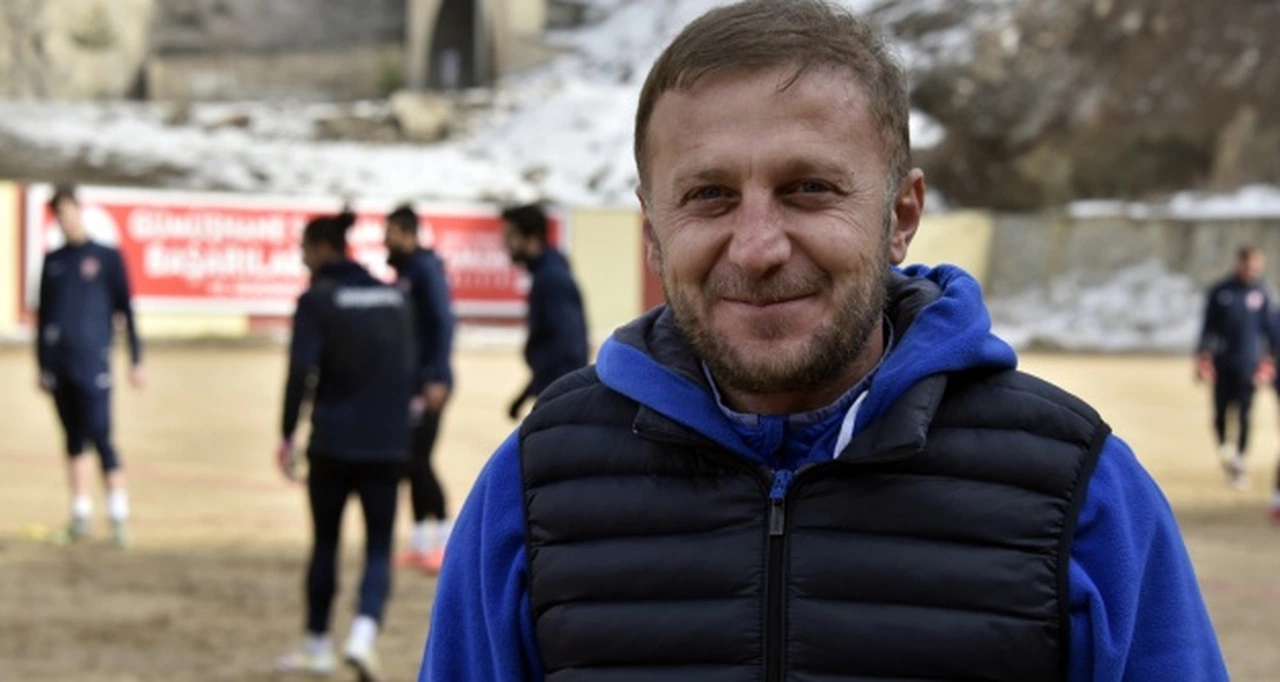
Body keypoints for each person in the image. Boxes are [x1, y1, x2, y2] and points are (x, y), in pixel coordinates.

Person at [420, 2, 1228, 681]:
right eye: (709, 196)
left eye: (809, 189)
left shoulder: (1083, 493)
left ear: (901, 215)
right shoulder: (528, 492)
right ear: (653, 234)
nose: (757, 247)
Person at [276, 211, 415, 682]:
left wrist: (287, 433)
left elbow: (300, 372)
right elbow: (411, 368)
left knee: (326, 542)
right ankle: (363, 634)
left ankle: (317, 645)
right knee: (378, 546)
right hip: (388, 443)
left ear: (321, 248)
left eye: (304, 250)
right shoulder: (395, 297)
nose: (302, 259)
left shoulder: (317, 300)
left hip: (333, 442)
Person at [35, 184, 145, 547]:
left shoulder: (107, 258)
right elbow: (43, 319)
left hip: (93, 363)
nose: (65, 219)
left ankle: (118, 517)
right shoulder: (53, 261)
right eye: (59, 214)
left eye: (69, 211)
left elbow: (127, 311)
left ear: (79, 211)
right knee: (72, 440)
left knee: (101, 436)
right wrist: (42, 364)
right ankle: (80, 516)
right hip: (60, 366)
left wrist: (136, 359)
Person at [384, 204, 457, 572]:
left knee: (420, 460)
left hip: (429, 384)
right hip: (409, 384)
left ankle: (445, 543)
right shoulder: (407, 272)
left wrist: (436, 378)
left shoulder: (426, 270)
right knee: (409, 462)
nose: (385, 240)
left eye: (390, 233)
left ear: (407, 233)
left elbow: (444, 324)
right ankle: (418, 543)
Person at [1196, 245, 1275, 491]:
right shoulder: (1221, 292)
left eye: (1257, 266)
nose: (1254, 270)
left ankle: (1239, 460)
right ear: (1239, 263)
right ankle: (1225, 449)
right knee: (1220, 414)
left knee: (1245, 415)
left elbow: (1272, 331)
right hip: (1223, 365)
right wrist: (1203, 356)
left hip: (1249, 366)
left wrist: (1270, 362)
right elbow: (1207, 328)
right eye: (1249, 265)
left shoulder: (1262, 293)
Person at [500, 203, 589, 420]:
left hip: (561, 398)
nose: (505, 243)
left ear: (531, 238)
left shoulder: (551, 278)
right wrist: (525, 395)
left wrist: (560, 402)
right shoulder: (545, 274)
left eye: (511, 235)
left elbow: (568, 349)